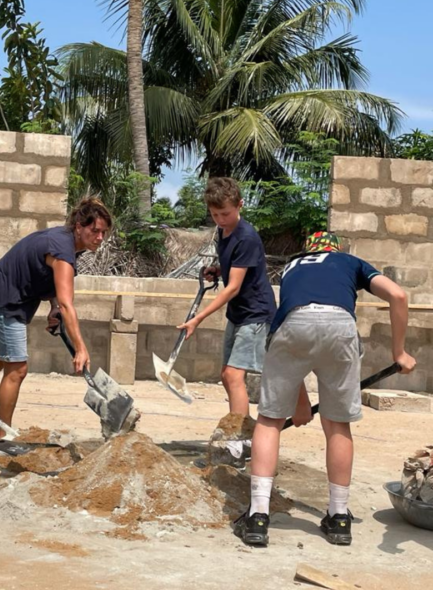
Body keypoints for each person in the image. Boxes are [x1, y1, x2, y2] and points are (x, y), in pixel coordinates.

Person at [234, 231, 417, 547]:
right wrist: (398, 352)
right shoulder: (349, 261)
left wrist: (297, 400)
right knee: (336, 424)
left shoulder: (293, 268)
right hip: (340, 327)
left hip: (293, 326)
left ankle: (258, 517)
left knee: (269, 421)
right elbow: (398, 296)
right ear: (336, 250)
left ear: (307, 251)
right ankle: (339, 517)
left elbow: (293, 330)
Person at [0, 198, 112, 455]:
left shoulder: (68, 244)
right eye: (94, 230)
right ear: (78, 226)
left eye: (103, 232)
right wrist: (80, 348)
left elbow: (53, 289)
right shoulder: (63, 249)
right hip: (4, 300)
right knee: (17, 368)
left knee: (1, 356)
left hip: (0, 294)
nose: (99, 237)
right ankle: (4, 438)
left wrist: (52, 306)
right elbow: (67, 303)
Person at [177, 177, 276, 466]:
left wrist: (197, 318)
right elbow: (233, 272)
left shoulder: (245, 236)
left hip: (255, 313)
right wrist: (217, 269)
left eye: (226, 214)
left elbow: (234, 287)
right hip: (239, 312)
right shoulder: (224, 233)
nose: (220, 219)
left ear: (240, 205)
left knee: (234, 376)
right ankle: (241, 435)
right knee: (227, 375)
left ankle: (240, 444)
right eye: (215, 215)